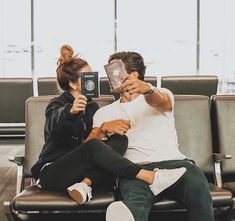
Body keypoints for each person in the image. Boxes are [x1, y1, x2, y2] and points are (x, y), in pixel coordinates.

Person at [31, 45, 186, 206]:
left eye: (92, 75)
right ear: (72, 83)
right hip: (54, 173)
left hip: (79, 172)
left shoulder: (92, 107)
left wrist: (103, 130)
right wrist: (70, 112)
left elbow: (87, 146)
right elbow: (54, 123)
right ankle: (150, 177)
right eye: (86, 76)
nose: (92, 79)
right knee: (94, 147)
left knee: (120, 140)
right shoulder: (57, 104)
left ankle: (84, 185)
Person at [92, 52, 214, 221]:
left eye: (116, 69)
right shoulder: (103, 113)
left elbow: (159, 101)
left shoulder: (161, 94)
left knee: (198, 188)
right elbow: (91, 150)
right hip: (135, 170)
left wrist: (148, 89)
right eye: (109, 70)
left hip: (175, 165)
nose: (111, 75)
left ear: (134, 75)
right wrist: (103, 129)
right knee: (134, 206)